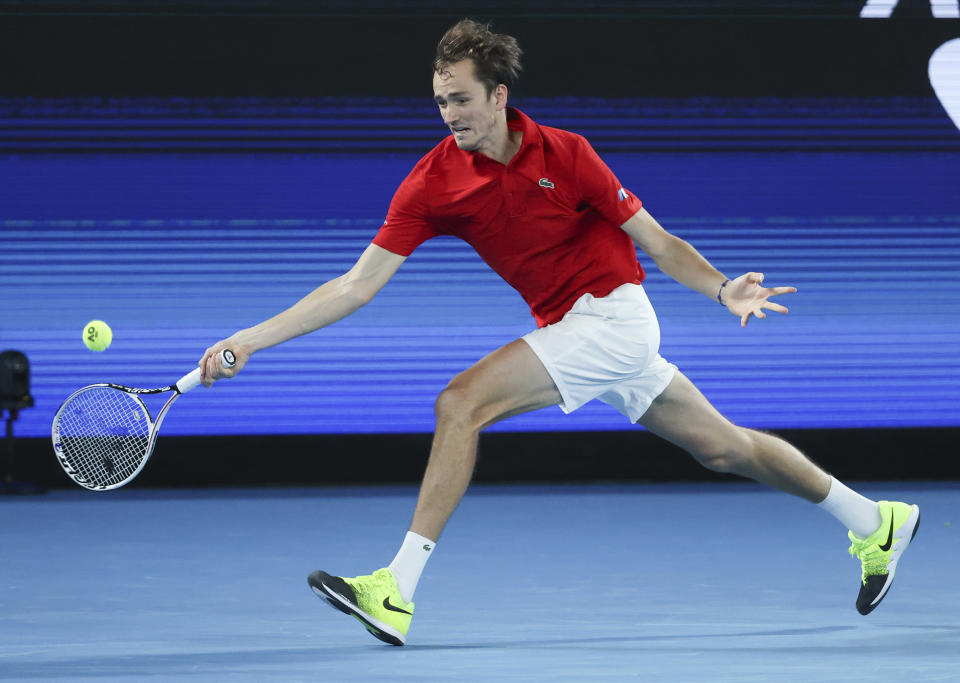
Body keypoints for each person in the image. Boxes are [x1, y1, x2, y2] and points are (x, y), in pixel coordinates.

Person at [198, 19, 920, 646]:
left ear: (499, 96)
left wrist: (721, 285)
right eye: (441, 101)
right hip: (577, 330)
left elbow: (658, 241)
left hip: (615, 318)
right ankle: (874, 518)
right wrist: (252, 339)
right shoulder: (430, 183)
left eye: (462, 99)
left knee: (461, 403)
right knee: (724, 448)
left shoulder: (567, 154)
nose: (450, 114)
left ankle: (396, 588)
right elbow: (356, 285)